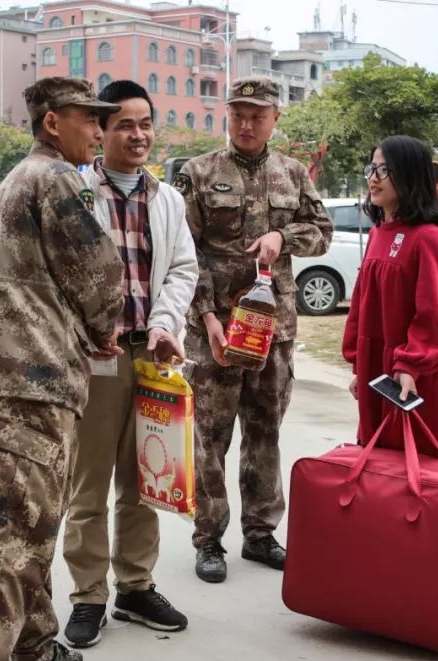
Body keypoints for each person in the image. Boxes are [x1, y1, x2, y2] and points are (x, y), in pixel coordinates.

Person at [0, 77, 125, 661]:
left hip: (7, 374)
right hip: (36, 378)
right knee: (16, 526)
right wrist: (107, 328)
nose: (99, 131)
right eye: (89, 119)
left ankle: (39, 648)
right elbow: (99, 275)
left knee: (32, 514)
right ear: (53, 123)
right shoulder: (59, 181)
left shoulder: (12, 183)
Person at [175, 77, 333, 584]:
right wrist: (206, 318)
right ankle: (210, 540)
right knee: (211, 438)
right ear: (227, 115)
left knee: (265, 433)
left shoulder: (292, 173)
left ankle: (260, 534)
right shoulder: (198, 173)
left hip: (272, 332)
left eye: (257, 115)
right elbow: (184, 254)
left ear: (274, 119)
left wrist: (281, 235)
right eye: (238, 113)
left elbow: (322, 233)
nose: (246, 123)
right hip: (215, 329)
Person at [61, 80, 198, 647]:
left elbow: (182, 270)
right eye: (124, 125)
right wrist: (86, 332)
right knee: (89, 484)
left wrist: (166, 324)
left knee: (148, 475)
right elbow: (59, 275)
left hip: (150, 354)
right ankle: (88, 595)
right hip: (97, 356)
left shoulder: (166, 199)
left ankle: (135, 586)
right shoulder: (74, 192)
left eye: (145, 124)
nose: (138, 135)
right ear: (102, 130)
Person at [341, 135, 438, 459]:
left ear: (409, 175)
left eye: (384, 170)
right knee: (381, 467)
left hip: (413, 376)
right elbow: (362, 304)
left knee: (418, 472)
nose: (373, 178)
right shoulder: (378, 234)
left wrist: (409, 365)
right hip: (380, 371)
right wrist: (360, 367)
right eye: (371, 169)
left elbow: (433, 315)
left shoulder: (429, 240)